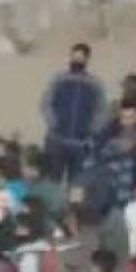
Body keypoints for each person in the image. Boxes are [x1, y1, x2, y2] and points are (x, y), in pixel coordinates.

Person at [76, 98, 136, 263]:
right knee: (107, 228)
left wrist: (135, 154)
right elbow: (95, 155)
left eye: (130, 117)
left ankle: (130, 257)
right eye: (123, 117)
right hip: (109, 187)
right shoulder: (108, 132)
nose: (126, 121)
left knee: (133, 228)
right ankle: (105, 257)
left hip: (133, 187)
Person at [39, 43, 109, 182]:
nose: (77, 61)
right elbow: (46, 103)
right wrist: (53, 122)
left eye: (81, 58)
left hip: (81, 145)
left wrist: (92, 129)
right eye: (74, 57)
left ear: (87, 60)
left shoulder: (94, 83)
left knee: (77, 184)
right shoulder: (59, 79)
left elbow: (102, 110)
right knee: (52, 182)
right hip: (57, 141)